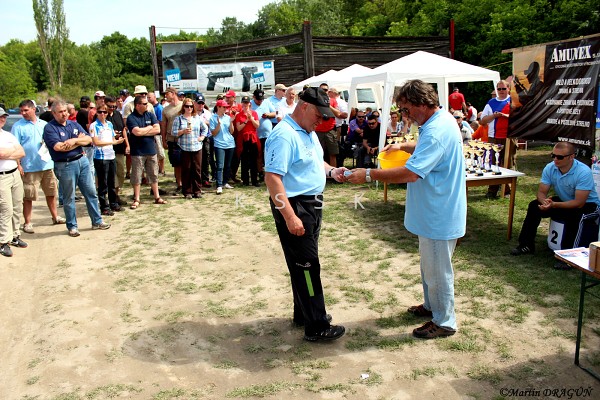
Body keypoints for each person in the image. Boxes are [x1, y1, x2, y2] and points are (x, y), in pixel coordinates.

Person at [348, 79, 466, 339]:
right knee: (429, 265)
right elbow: (426, 148)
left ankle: (445, 321)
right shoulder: (437, 122)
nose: (405, 115)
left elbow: (411, 173)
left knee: (438, 270)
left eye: (405, 109)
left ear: (421, 103)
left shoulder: (436, 130)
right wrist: (402, 146)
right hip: (433, 210)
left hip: (439, 212)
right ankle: (432, 306)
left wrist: (368, 173)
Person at [264, 87, 346, 342]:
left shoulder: (307, 131)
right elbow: (272, 178)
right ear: (304, 106)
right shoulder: (284, 135)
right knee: (308, 266)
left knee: (303, 264)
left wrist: (331, 172)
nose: (321, 121)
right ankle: (317, 326)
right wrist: (290, 216)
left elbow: (315, 162)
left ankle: (305, 314)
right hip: (296, 206)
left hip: (311, 205)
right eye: (318, 115)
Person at [510, 143, 600, 263]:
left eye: (560, 157)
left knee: (575, 216)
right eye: (553, 155)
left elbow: (579, 203)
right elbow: (541, 192)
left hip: (588, 205)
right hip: (564, 201)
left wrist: (553, 205)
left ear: (571, 156)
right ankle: (526, 245)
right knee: (534, 206)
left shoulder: (583, 171)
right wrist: (544, 202)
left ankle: (568, 257)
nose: (555, 159)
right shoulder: (550, 167)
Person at [43, 101, 111, 237]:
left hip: (82, 161)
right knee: (69, 198)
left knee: (91, 193)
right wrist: (78, 141)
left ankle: (97, 221)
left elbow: (88, 140)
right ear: (54, 113)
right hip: (65, 165)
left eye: (65, 111)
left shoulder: (73, 124)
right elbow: (59, 147)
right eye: (60, 112)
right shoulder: (50, 128)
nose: (64, 114)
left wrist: (73, 141)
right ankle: (72, 226)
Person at [11, 100, 65, 234]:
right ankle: (27, 222)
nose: (23, 113)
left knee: (51, 193)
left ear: (34, 109)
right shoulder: (18, 127)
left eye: (26, 110)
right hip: (29, 166)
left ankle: (55, 217)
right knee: (28, 196)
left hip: (47, 164)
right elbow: (15, 148)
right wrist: (18, 165)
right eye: (21, 111)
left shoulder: (44, 124)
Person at [126, 96, 167, 209]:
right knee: (137, 175)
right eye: (144, 103)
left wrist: (143, 130)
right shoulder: (131, 117)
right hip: (137, 151)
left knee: (153, 174)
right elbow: (136, 132)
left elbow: (157, 129)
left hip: (151, 150)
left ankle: (157, 197)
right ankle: (137, 199)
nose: (147, 105)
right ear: (137, 105)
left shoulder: (150, 115)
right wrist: (149, 128)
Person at [0, 107, 27, 256]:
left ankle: (15, 235)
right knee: (6, 209)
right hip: (2, 177)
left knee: (17, 205)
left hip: (14, 173)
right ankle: (3, 241)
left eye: (4, 117)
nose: (2, 119)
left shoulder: (8, 135)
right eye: (0, 117)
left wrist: (7, 154)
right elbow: (1, 154)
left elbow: (21, 152)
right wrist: (12, 152)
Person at [89, 104, 125, 215]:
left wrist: (117, 140)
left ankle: (113, 203)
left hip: (111, 155)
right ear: (97, 113)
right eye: (100, 112)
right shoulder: (94, 125)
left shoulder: (109, 124)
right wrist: (112, 142)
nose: (102, 114)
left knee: (111, 182)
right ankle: (104, 206)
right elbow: (96, 142)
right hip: (100, 157)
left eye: (105, 112)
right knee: (102, 183)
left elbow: (113, 138)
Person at [480, 80, 512, 198]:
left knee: (508, 163)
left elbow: (519, 117)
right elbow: (482, 120)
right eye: (499, 89)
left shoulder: (513, 101)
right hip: (493, 137)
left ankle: (507, 190)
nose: (501, 91)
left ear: (508, 89)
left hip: (509, 137)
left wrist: (505, 116)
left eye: (503, 89)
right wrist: (494, 115)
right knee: (493, 163)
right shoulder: (491, 102)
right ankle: (492, 189)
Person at [172, 98, 207, 199]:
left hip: (197, 146)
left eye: (191, 106)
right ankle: (187, 191)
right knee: (186, 169)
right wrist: (182, 131)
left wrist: (202, 137)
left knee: (197, 169)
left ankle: (197, 190)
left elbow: (205, 129)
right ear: (183, 107)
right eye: (187, 106)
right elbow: (173, 132)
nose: (189, 108)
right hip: (184, 147)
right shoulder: (179, 119)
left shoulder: (197, 118)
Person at [105, 96, 128, 206]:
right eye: (110, 106)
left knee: (121, 172)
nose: (112, 108)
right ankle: (113, 197)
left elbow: (123, 130)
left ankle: (117, 195)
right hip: (108, 149)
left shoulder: (118, 114)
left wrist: (127, 144)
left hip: (119, 148)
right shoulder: (102, 116)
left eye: (114, 106)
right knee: (112, 175)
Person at [209, 99, 235, 195]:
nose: (225, 109)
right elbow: (214, 133)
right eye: (223, 107)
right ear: (218, 107)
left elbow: (232, 131)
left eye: (226, 107)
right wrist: (219, 124)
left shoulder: (227, 117)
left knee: (228, 165)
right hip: (219, 144)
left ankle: (225, 182)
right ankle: (219, 185)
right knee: (220, 165)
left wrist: (231, 122)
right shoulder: (213, 118)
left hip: (230, 143)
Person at [234, 96, 260, 186]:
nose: (245, 105)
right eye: (244, 103)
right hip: (244, 138)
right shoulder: (239, 115)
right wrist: (246, 120)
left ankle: (254, 180)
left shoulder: (254, 113)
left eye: (247, 103)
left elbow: (257, 125)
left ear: (249, 104)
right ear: (242, 104)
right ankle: (245, 180)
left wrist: (251, 118)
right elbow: (238, 128)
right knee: (244, 159)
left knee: (253, 159)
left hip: (252, 138)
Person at [161, 87, 183, 193]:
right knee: (176, 163)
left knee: (186, 162)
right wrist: (164, 140)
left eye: (167, 94)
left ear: (173, 93)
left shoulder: (183, 105)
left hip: (185, 138)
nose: (165, 96)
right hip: (172, 139)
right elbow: (164, 125)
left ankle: (188, 183)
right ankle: (179, 184)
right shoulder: (165, 109)